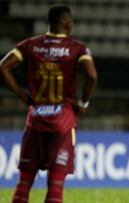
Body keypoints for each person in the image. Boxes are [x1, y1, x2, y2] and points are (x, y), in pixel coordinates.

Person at [0, 4, 97, 203]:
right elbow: (92, 77)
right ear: (68, 23)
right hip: (62, 122)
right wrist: (83, 103)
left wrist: (22, 95)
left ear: (50, 23)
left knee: (24, 183)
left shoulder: (30, 45)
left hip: (36, 118)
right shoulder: (77, 48)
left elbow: (3, 67)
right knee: (55, 185)